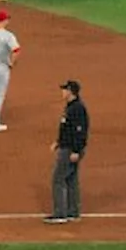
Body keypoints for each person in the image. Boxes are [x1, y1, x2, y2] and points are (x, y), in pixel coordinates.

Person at [45, 80, 88, 224]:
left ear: (71, 91)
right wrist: (58, 142)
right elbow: (67, 128)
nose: (62, 92)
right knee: (71, 179)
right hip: (67, 147)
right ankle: (73, 212)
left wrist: (76, 150)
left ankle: (60, 214)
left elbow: (80, 131)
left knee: (58, 179)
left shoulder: (77, 109)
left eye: (64, 89)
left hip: (70, 149)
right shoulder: (71, 107)